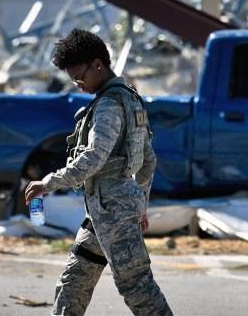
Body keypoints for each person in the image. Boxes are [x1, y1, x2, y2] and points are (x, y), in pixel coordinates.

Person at [24, 28, 173, 316]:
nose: (78, 84)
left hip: (112, 211)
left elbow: (94, 157)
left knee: (138, 288)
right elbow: (148, 160)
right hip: (105, 211)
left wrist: (48, 183)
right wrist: (140, 204)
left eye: (80, 76)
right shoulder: (129, 99)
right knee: (74, 281)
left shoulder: (108, 106)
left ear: (98, 64)